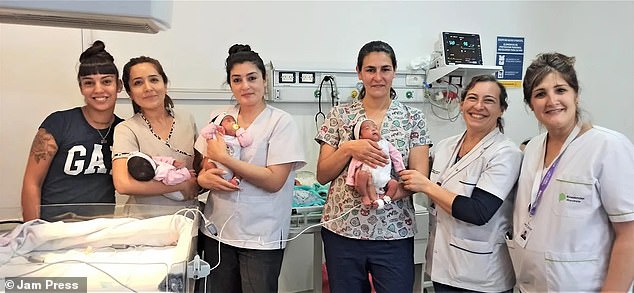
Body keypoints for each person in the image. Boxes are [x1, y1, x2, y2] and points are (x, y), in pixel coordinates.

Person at [509, 52, 634, 292]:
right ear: (530, 105)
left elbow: (629, 234)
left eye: (560, 90)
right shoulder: (533, 147)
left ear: (576, 95)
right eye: (540, 94)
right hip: (532, 285)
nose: (551, 100)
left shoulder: (608, 147)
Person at [315, 40, 432, 292]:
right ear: (359, 72)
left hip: (394, 231)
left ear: (395, 71)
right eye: (370, 70)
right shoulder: (340, 115)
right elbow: (323, 174)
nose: (378, 77)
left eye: (385, 69)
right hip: (343, 231)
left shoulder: (413, 118)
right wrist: (348, 148)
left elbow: (419, 177)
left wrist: (390, 194)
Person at [195, 44, 306, 293]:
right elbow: (205, 164)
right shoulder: (218, 117)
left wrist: (227, 158)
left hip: (261, 237)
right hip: (217, 232)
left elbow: (274, 180)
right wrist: (205, 176)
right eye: (237, 80)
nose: (245, 86)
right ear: (230, 85)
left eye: (252, 78)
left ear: (264, 80)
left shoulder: (280, 122)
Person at [400, 75, 521, 292]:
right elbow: (418, 174)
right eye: (472, 98)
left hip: (481, 274)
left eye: (489, 101)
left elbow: (478, 212)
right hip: (442, 265)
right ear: (462, 103)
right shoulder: (446, 146)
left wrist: (426, 185)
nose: (479, 106)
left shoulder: (505, 153)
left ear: (502, 109)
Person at [20, 40, 124, 222]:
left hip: (100, 230)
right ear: (81, 88)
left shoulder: (124, 131)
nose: (98, 89)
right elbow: (31, 182)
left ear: (119, 86)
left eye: (106, 81)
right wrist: (32, 231)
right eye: (89, 83)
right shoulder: (59, 123)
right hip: (52, 228)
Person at [112, 56, 200, 207]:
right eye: (138, 83)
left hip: (187, 219)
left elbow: (199, 167)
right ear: (130, 93)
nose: (148, 88)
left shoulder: (186, 119)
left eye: (153, 80)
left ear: (164, 84)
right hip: (146, 223)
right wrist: (179, 185)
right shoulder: (126, 129)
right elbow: (123, 184)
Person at [345, 118, 405, 209]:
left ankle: (385, 199)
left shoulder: (385, 144)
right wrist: (350, 179)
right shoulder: (362, 147)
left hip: (385, 179)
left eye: (375, 127)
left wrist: (400, 169)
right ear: (360, 136)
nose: (373, 129)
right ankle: (365, 195)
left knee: (394, 184)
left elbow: (396, 155)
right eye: (367, 128)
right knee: (361, 175)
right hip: (367, 177)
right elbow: (354, 164)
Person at [198, 112, 252, 186]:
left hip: (234, 164)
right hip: (217, 163)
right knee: (209, 165)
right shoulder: (216, 136)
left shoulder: (237, 139)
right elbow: (204, 133)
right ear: (220, 125)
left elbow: (247, 142)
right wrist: (215, 127)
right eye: (228, 121)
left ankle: (236, 180)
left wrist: (240, 130)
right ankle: (219, 178)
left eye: (234, 121)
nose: (233, 123)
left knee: (239, 171)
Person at [126, 151, 194, 200]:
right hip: (178, 194)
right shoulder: (161, 173)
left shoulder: (150, 164)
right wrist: (186, 173)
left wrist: (172, 162)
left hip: (172, 177)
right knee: (174, 178)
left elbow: (159, 159)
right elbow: (173, 179)